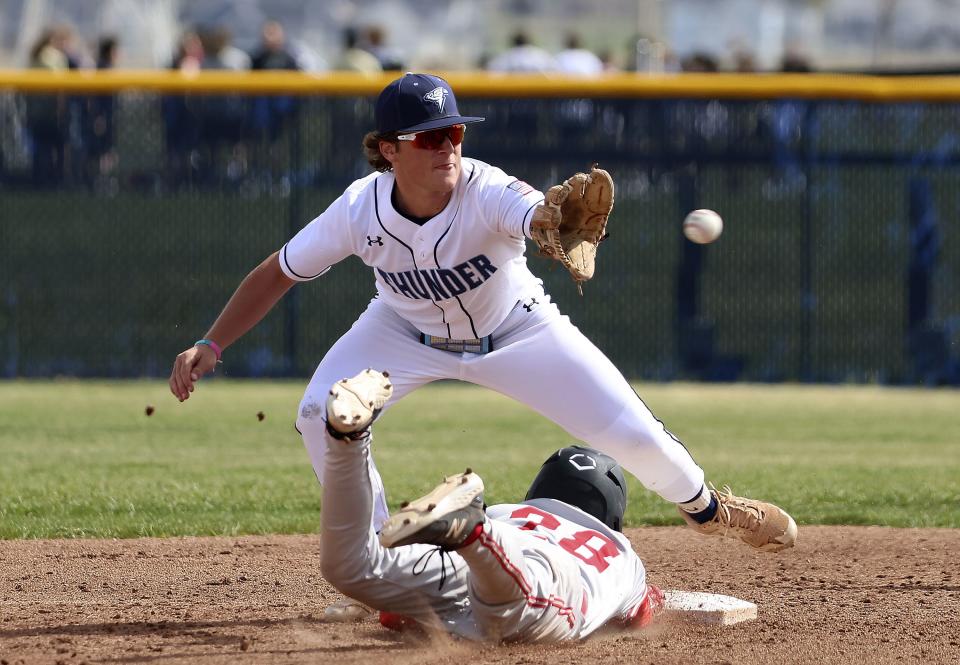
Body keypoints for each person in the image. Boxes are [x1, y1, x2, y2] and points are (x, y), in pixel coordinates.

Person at [169, 72, 796, 609]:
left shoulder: (487, 188)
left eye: (455, 132)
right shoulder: (361, 209)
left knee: (638, 438)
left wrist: (549, 222)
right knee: (316, 415)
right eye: (430, 135)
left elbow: (532, 212)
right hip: (400, 331)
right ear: (388, 149)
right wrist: (212, 343)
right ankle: (382, 555)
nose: (448, 145)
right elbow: (279, 271)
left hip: (518, 332)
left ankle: (711, 509)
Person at [320, 368, 662, 641]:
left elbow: (394, 615)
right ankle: (472, 530)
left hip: (485, 552)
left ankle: (349, 440)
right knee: (512, 611)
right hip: (548, 576)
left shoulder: (510, 511)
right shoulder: (621, 553)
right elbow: (642, 613)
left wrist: (398, 601)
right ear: (612, 515)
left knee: (353, 567)